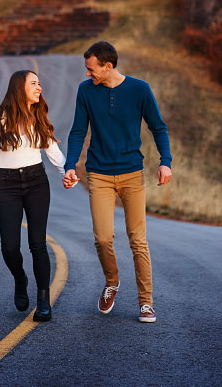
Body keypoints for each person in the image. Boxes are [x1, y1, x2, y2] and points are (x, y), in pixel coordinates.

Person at [63, 40, 172, 323]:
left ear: (107, 66)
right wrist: (70, 165)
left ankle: (146, 303)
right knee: (102, 238)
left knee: (138, 240)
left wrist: (165, 162)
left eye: (91, 69)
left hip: (132, 174)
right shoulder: (86, 91)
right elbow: (77, 131)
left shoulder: (139, 90)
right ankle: (112, 282)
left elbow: (158, 127)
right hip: (98, 173)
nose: (88, 74)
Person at [0, 70, 66, 322]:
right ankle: (20, 278)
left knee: (37, 244)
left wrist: (66, 171)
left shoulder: (39, 115)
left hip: (37, 182)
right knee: (9, 248)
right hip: (7, 185)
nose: (39, 87)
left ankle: (43, 302)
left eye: (40, 83)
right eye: (34, 83)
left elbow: (52, 149)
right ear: (20, 87)